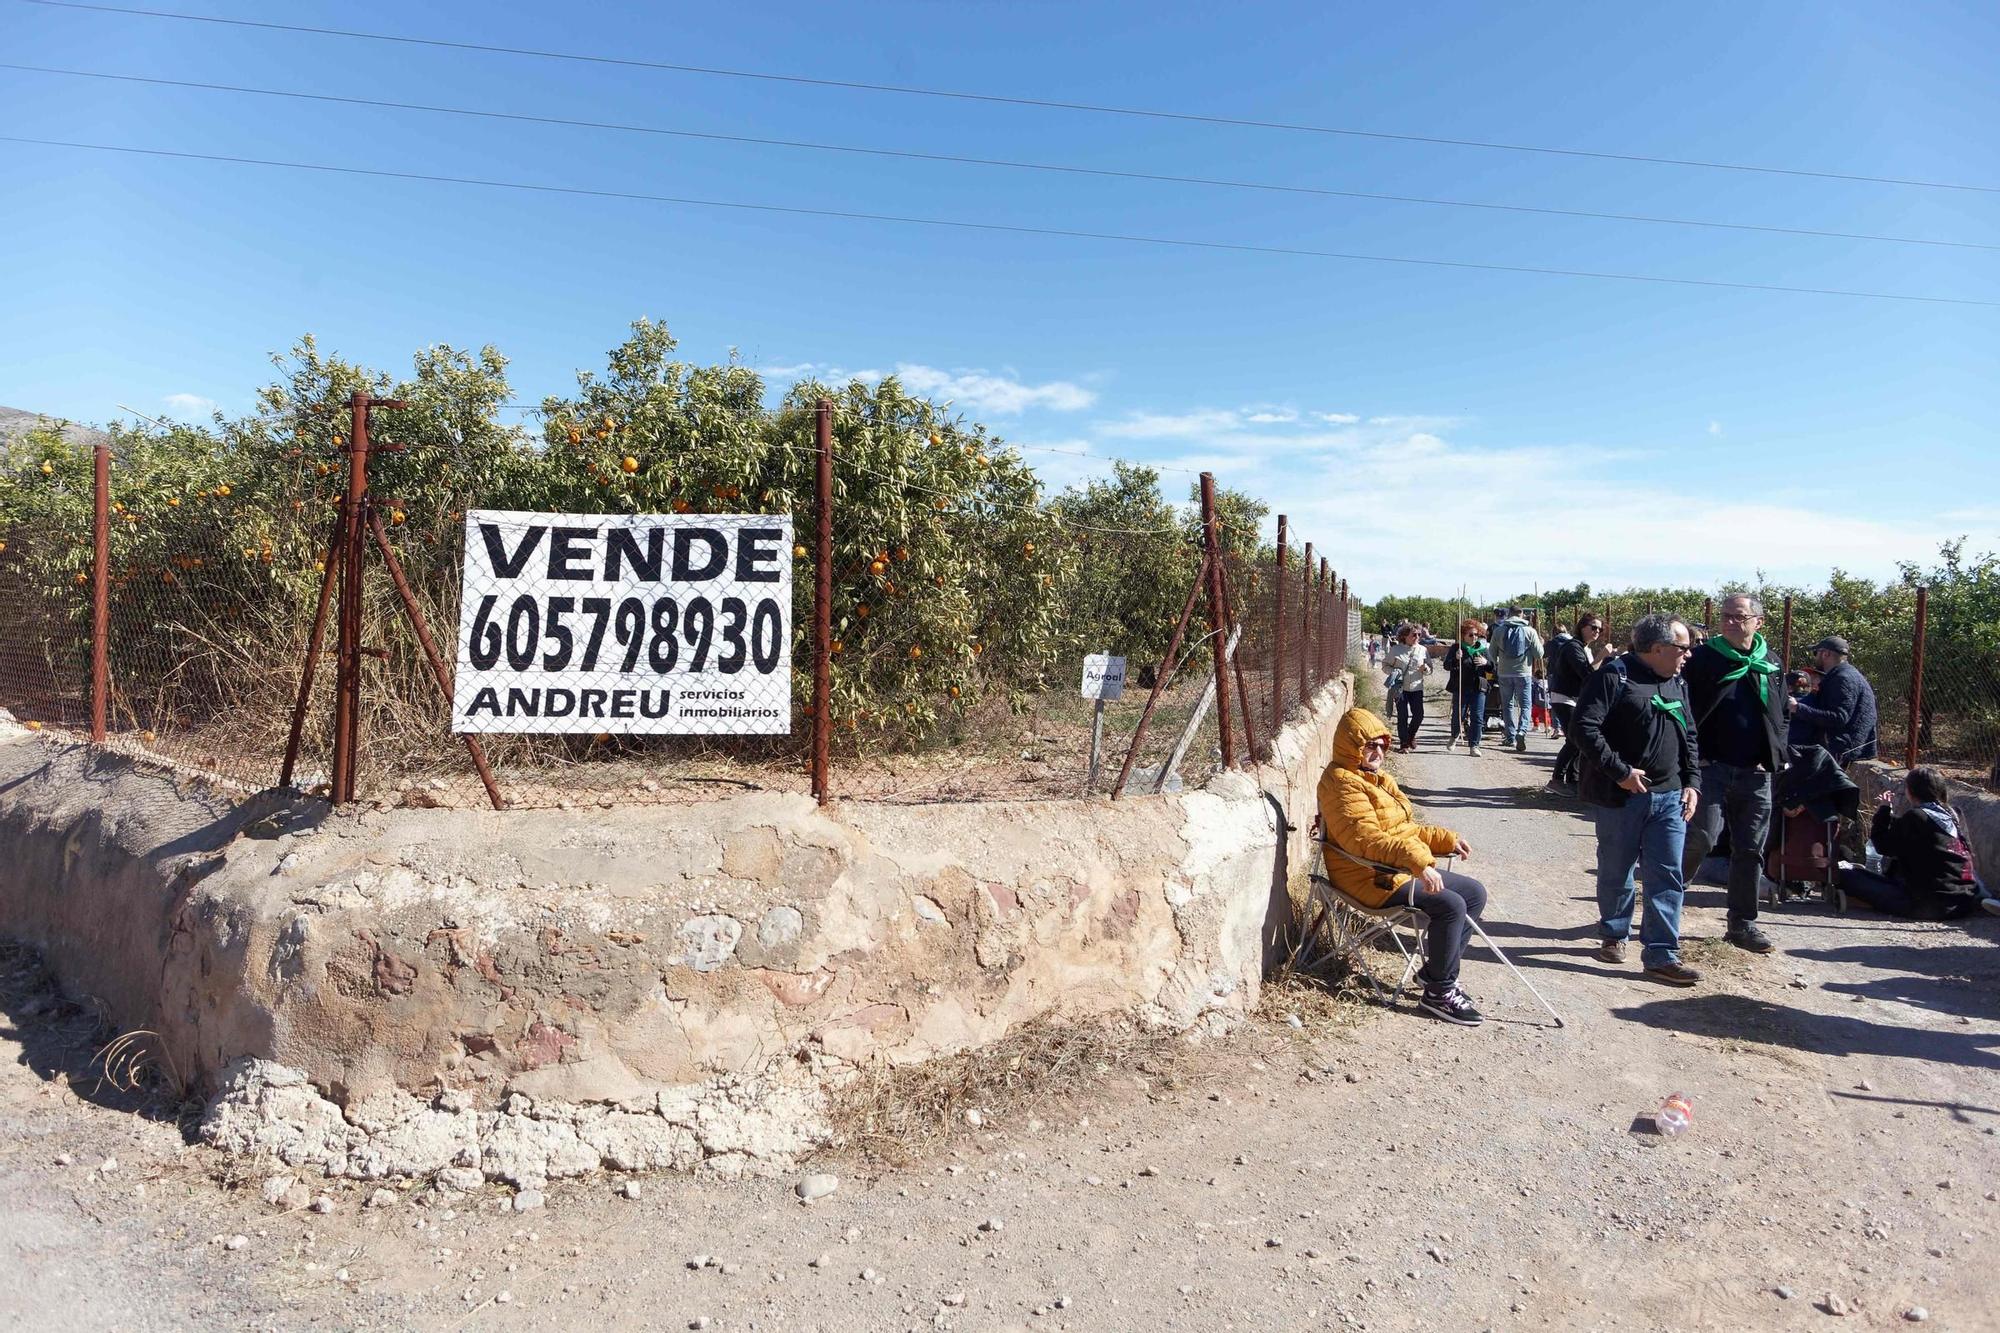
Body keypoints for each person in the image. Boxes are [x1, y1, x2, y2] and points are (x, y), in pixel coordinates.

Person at [1317, 708, 1487, 1025]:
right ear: (1350, 746)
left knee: (1474, 893)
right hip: (1368, 877)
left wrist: (1446, 840)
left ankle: (1435, 974)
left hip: (1391, 870)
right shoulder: (1340, 783)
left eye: (1382, 744)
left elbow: (1405, 830)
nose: (1378, 751)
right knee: (1451, 904)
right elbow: (1365, 841)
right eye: (1370, 745)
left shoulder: (1379, 780)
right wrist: (1418, 861)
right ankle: (1439, 993)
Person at [1572, 613, 1702, 986]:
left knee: (1667, 876)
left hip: (1672, 797)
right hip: (1621, 796)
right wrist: (1620, 772)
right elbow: (1584, 727)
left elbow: (1689, 735)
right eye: (1682, 648)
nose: (1688, 655)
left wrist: (1692, 782)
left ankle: (1662, 954)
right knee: (1617, 869)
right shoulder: (1615, 676)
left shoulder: (1677, 682)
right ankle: (1614, 933)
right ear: (1658, 648)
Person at [1678, 594, 1786, 955]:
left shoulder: (1769, 662)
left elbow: (1780, 712)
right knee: (1703, 838)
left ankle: (1742, 923)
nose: (1730, 623)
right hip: (1711, 769)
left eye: (1739, 617)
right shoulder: (1704, 659)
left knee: (1750, 848)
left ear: (1758, 621)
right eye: (1726, 617)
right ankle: (1669, 900)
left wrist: (1776, 753)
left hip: (1756, 773)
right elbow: (1686, 710)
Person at [1838, 767, 1990, 919]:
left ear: (1911, 791)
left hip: (1929, 905)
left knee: (1844, 874)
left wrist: (1883, 810)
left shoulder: (1917, 817)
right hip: (1964, 901)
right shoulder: (1955, 814)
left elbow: (1882, 845)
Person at [1788, 636, 1879, 766]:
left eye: (1816, 653)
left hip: (1845, 754)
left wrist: (1797, 708)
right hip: (1846, 751)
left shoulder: (1842, 678)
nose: (1815, 657)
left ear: (1826, 654)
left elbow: (1838, 718)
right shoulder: (1842, 675)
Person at [1547, 616, 1600, 790]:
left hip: (1575, 698)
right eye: (1594, 627)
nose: (1597, 632)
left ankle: (1573, 779)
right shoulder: (1572, 647)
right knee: (1574, 739)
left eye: (1600, 629)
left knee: (1579, 739)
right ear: (1582, 627)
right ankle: (1556, 780)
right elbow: (1586, 673)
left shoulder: (1584, 648)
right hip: (1564, 697)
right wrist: (1603, 656)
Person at [1489, 606, 1544, 753]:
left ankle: (1510, 737)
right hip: (1523, 673)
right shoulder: (1530, 631)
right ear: (1521, 615)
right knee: (1525, 705)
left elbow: (1491, 653)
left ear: (1509, 614)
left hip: (1504, 673)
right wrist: (1540, 643)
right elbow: (1539, 654)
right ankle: (1522, 731)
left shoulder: (1499, 631)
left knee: (1508, 705)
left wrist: (1497, 664)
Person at [1442, 618, 1495, 756]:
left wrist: (1485, 662)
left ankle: (1474, 746)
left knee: (1477, 717)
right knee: (1459, 715)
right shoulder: (1456, 648)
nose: (1474, 637)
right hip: (1461, 687)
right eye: (1471, 635)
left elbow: (1493, 669)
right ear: (1463, 635)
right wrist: (1455, 659)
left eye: (1476, 634)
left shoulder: (1482, 649)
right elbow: (1447, 666)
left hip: (1479, 687)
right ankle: (1454, 735)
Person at [1380, 623, 1432, 752]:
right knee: (1402, 715)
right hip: (1400, 688)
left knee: (1419, 715)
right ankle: (1404, 743)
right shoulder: (1396, 650)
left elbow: (1430, 669)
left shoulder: (1423, 650)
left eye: (1419, 635)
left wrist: (1425, 669)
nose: (1417, 637)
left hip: (1417, 688)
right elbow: (1385, 665)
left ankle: (1411, 735)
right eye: (1413, 635)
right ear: (1404, 636)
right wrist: (1394, 672)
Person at [1530, 670, 1553, 736]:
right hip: (1546, 701)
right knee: (1546, 715)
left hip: (1537, 702)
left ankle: (1536, 726)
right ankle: (1547, 726)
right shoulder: (1547, 683)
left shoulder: (1536, 683)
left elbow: (1533, 693)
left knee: (1534, 714)